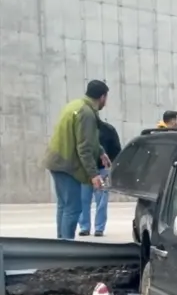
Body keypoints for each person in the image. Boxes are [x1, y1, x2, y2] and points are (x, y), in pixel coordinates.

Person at [44, 80, 109, 240]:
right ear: (102, 97)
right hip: (67, 164)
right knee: (73, 208)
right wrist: (94, 174)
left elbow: (84, 137)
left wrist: (101, 151)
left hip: (56, 160)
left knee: (64, 206)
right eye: (106, 98)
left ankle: (60, 246)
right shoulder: (86, 113)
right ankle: (67, 249)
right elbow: (84, 148)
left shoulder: (74, 105)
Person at [78, 120, 122, 237]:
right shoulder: (82, 128)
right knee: (83, 200)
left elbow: (116, 149)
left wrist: (112, 166)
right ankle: (85, 227)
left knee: (101, 201)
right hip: (85, 169)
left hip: (102, 169)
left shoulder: (108, 129)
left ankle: (98, 228)